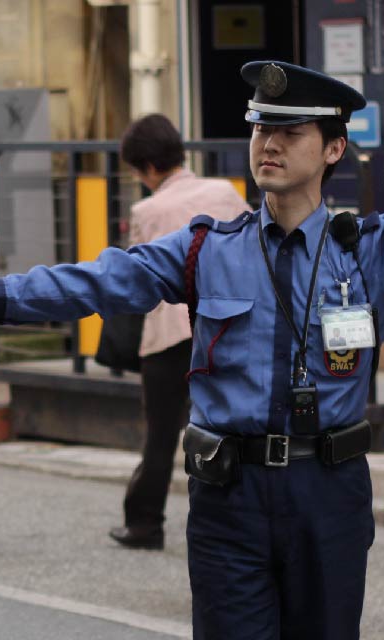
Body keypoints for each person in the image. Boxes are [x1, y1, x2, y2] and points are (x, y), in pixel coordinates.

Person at [0, 61, 384, 639]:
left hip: (328, 494)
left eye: (290, 132)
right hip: (230, 497)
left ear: (333, 149)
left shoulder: (373, 250)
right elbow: (98, 280)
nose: (269, 144)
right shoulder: (207, 249)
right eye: (261, 128)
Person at [109, 113, 249, 550]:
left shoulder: (146, 211)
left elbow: (140, 280)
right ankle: (239, 523)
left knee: (161, 434)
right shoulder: (225, 192)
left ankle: (144, 524)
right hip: (227, 331)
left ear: (149, 167)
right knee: (233, 429)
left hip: (168, 337)